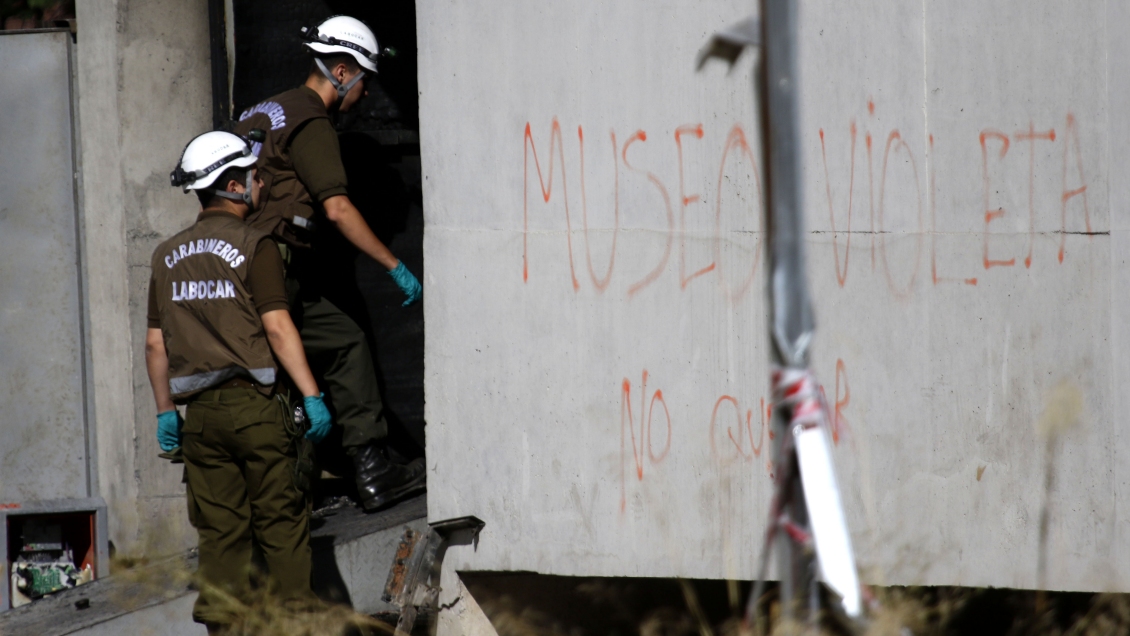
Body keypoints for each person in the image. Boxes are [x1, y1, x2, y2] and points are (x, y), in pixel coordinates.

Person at [233, 14, 425, 512]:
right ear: (341, 72)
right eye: (364, 77)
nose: (365, 93)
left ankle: (366, 466)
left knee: (343, 340)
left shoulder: (260, 111)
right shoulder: (311, 118)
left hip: (245, 259)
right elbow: (337, 208)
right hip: (272, 260)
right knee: (281, 371)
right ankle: (302, 483)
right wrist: (392, 266)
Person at [145, 130, 334, 629]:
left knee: (221, 539)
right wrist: (313, 396)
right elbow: (277, 326)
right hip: (258, 411)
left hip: (202, 419)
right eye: (254, 174)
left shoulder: (165, 255)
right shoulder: (257, 245)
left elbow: (155, 344)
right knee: (282, 530)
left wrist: (166, 412)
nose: (262, 182)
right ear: (232, 184)